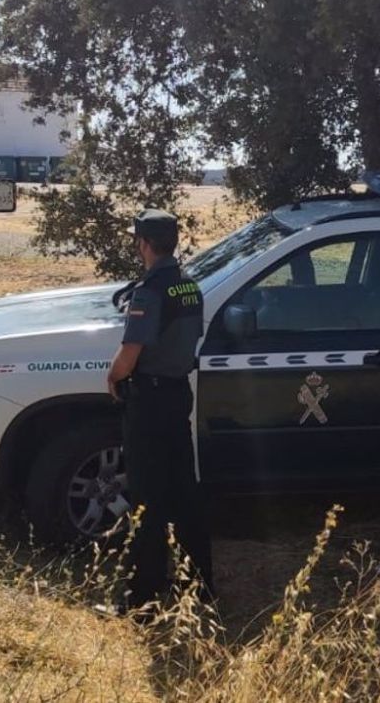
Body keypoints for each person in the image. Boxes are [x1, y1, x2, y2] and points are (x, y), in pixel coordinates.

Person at [106, 209, 213, 609]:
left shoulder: (148, 292)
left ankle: (142, 598)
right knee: (185, 492)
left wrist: (113, 376)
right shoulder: (191, 287)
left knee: (147, 500)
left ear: (144, 244)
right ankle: (199, 587)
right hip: (177, 394)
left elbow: (129, 354)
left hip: (148, 400)